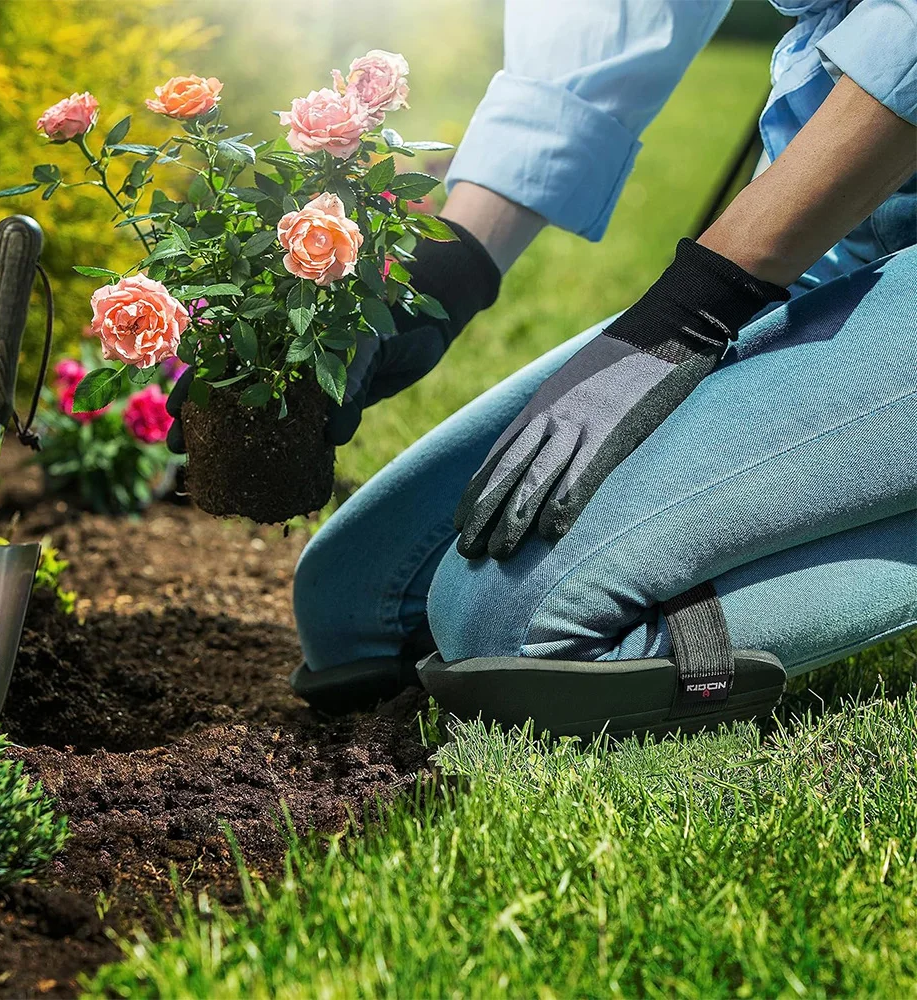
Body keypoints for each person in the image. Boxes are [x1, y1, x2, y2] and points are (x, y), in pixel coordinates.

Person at [174, 0, 917, 728]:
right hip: (841, 233)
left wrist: (689, 314)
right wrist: (449, 270)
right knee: (356, 603)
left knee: (519, 632)